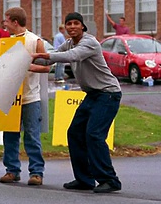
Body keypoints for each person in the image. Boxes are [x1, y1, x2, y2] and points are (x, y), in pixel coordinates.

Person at [32, 12, 122, 194]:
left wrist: (43, 55)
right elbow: (54, 55)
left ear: (82, 27)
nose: (72, 26)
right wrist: (25, 59)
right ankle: (84, 179)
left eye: (75, 23)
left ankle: (110, 180)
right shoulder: (69, 43)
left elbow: (70, 56)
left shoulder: (89, 42)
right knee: (74, 133)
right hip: (92, 95)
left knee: (94, 135)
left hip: (108, 94)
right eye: (69, 24)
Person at [0, 7, 52, 186]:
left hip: (30, 97)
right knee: (10, 135)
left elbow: (46, 67)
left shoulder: (35, 41)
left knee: (32, 135)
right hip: (11, 96)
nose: (4, 24)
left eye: (6, 20)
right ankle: (12, 170)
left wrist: (26, 66)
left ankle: (37, 172)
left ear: (15, 21)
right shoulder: (6, 42)